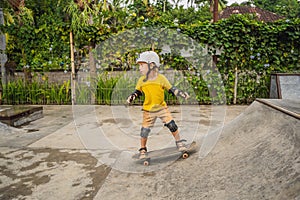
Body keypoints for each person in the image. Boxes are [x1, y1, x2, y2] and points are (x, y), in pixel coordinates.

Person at [127, 51, 190, 159]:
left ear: (151, 65)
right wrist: (131, 97)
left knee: (172, 125)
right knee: (145, 131)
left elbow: (172, 89)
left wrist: (181, 94)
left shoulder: (161, 78)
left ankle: (179, 142)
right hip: (148, 110)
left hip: (161, 108)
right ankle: (143, 149)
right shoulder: (141, 80)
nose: (139, 68)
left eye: (142, 65)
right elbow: (137, 91)